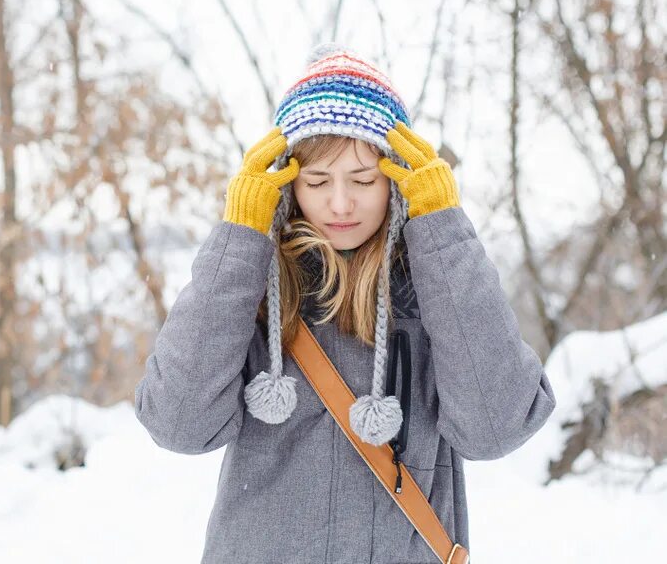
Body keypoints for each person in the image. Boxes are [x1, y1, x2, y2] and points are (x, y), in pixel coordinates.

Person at [134, 42, 556, 563]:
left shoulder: (437, 290)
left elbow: (498, 427)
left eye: (363, 179)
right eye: (316, 180)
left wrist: (442, 232)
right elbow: (178, 424)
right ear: (287, 183)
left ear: (397, 180)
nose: (340, 204)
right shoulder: (254, 288)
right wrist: (241, 236)